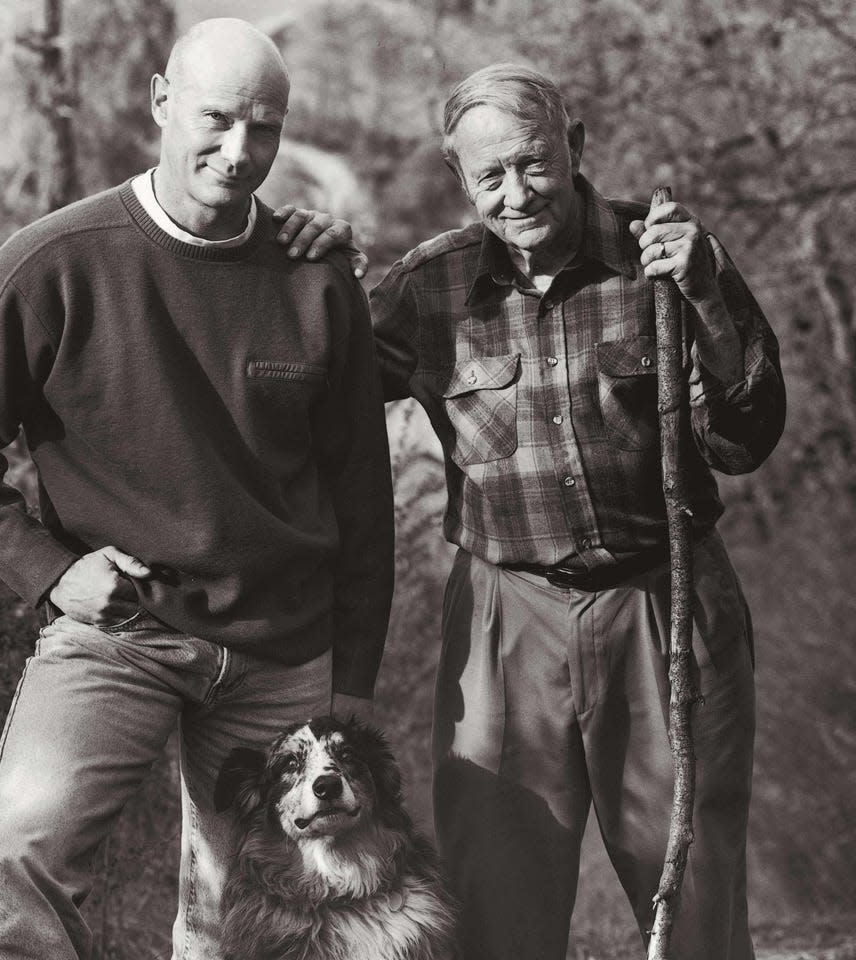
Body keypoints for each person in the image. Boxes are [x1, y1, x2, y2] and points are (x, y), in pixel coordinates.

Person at [0, 18, 393, 960]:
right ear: (163, 103)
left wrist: (356, 680)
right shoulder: (56, 261)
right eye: (216, 118)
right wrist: (50, 573)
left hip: (282, 647)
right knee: (24, 850)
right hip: (119, 629)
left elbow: (364, 500)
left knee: (243, 915)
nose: (239, 151)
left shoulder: (315, 278)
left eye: (265, 128)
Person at [291, 62, 785, 960]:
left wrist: (707, 291)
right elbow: (308, 390)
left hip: (664, 600)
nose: (516, 194)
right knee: (496, 889)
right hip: (502, 617)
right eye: (490, 177)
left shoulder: (664, 255)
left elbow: (745, 441)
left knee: (695, 888)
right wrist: (301, 264)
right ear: (461, 180)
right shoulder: (429, 288)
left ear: (576, 147)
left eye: (534, 164)